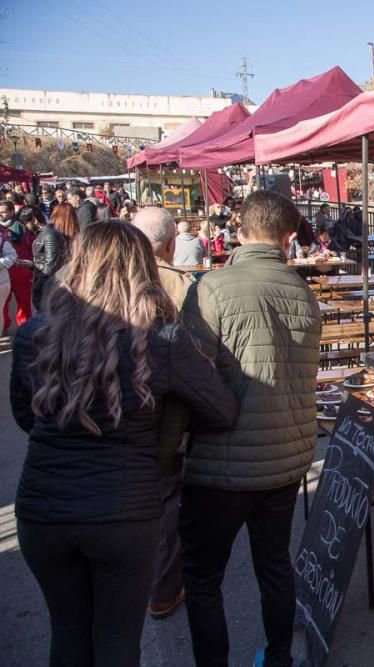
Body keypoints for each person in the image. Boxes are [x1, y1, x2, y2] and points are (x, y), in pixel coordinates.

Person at [9, 221, 238, 667]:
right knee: (117, 640)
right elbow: (221, 410)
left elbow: (26, 417)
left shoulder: (32, 334)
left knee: (68, 634)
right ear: (143, 271)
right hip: (123, 510)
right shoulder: (161, 342)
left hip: (43, 510)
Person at [180, 190, 321, 667]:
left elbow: (187, 378)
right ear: (288, 237)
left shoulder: (211, 288)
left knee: (202, 580)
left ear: (239, 231)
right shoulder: (304, 293)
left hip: (219, 465)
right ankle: (279, 658)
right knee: (275, 567)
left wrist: (166, 456)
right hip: (284, 460)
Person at [132, 207, 196, 620]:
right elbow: (196, 350)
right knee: (167, 495)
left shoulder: (95, 282)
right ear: (171, 243)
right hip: (163, 412)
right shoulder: (179, 284)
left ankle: (145, 585)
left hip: (111, 413)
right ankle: (162, 590)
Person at [0, 199, 35, 332]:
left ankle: (25, 328)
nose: (1, 215)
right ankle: (4, 326)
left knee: (23, 302)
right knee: (3, 304)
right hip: (5, 271)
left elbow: (30, 245)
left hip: (21, 270)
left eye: (4, 212)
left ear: (12, 212)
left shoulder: (20, 226)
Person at [30, 206, 69, 309]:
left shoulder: (49, 235)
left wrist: (39, 284)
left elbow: (51, 262)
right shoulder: (45, 234)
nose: (25, 227)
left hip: (47, 282)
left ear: (34, 220)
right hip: (45, 278)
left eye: (26, 223)